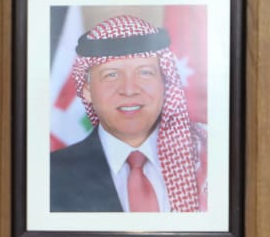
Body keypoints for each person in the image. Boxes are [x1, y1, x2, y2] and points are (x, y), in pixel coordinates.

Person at [50, 14, 207, 213]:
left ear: (165, 82)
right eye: (111, 75)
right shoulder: (51, 175)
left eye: (145, 72)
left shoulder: (208, 158)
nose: (129, 89)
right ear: (87, 89)